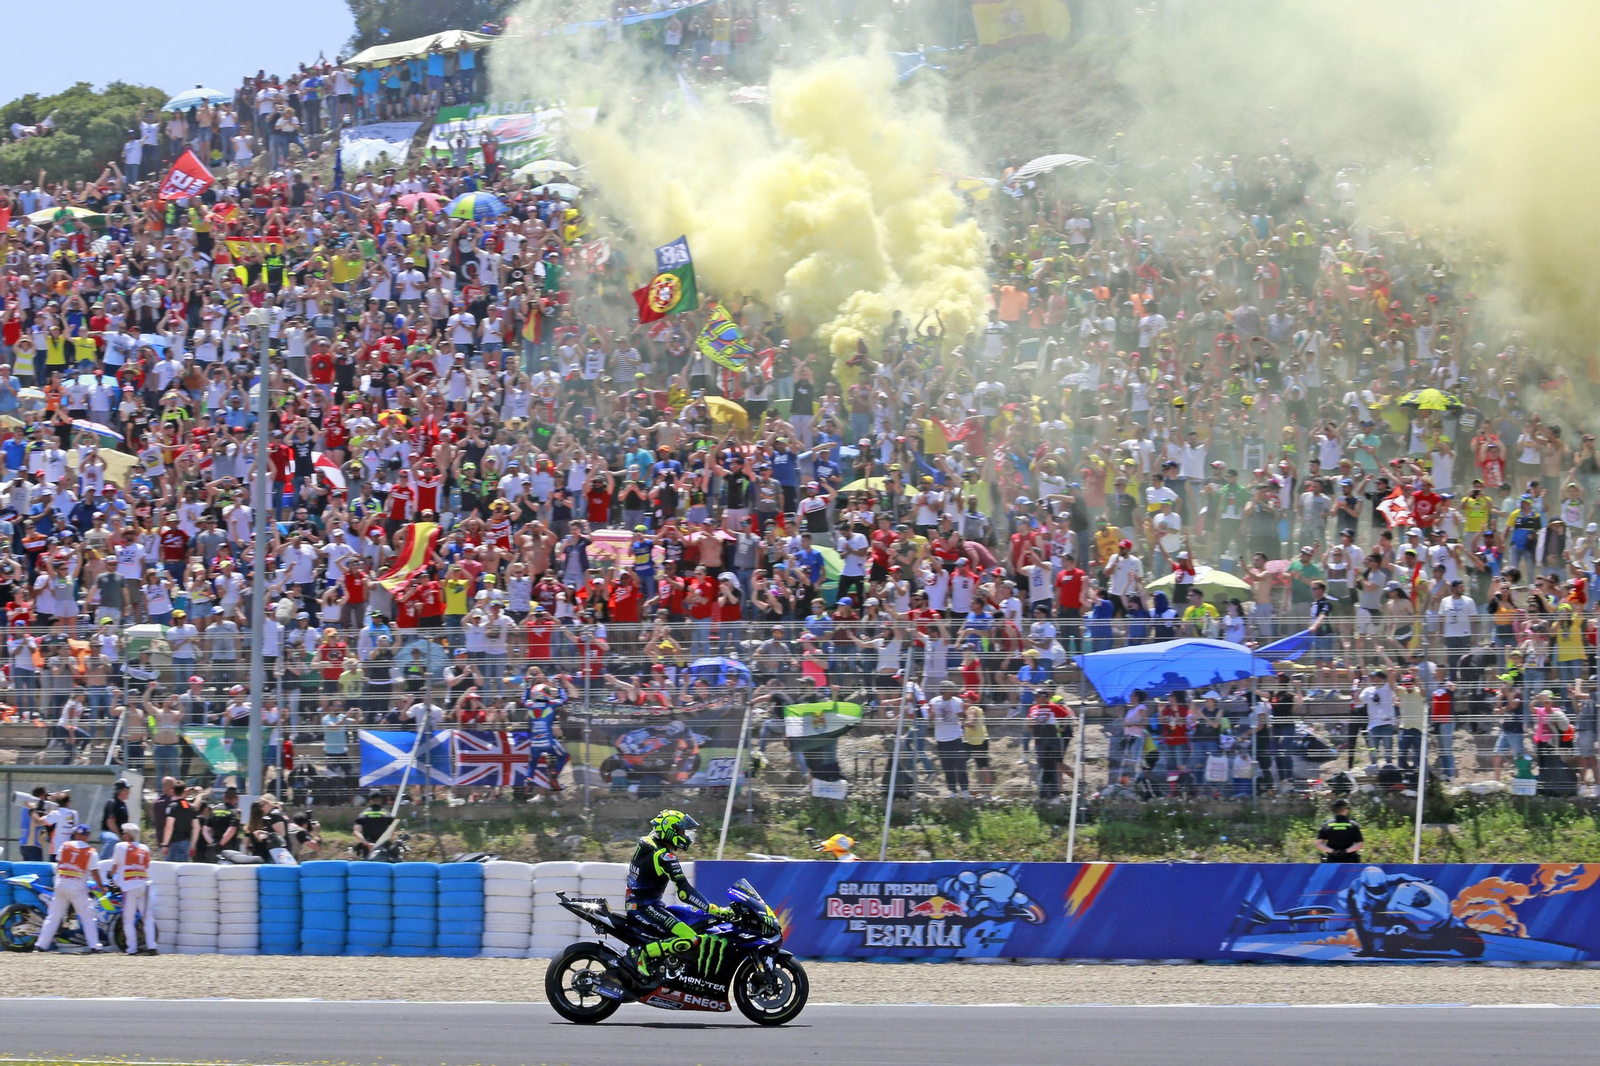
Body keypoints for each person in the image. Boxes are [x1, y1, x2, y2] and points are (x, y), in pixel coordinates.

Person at [623, 809, 731, 982]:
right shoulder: (664, 856)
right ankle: (640, 953)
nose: (685, 836)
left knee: (691, 919)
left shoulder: (647, 842)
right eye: (681, 831)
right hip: (645, 907)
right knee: (690, 937)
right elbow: (684, 892)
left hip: (643, 904)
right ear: (669, 830)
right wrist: (713, 909)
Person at [34, 824, 106, 952]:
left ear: (76, 834)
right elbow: (95, 873)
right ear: (87, 836)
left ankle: (40, 945)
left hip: (61, 884)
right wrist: (102, 887)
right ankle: (94, 946)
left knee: (53, 916)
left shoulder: (65, 846)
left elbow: (59, 864)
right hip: (77, 887)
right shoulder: (90, 852)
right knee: (87, 916)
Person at [108, 822, 158, 954]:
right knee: (147, 917)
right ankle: (152, 946)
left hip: (129, 886)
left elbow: (115, 866)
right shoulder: (145, 848)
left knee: (128, 919)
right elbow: (147, 866)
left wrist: (110, 875)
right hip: (145, 885)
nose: (123, 836)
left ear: (128, 836)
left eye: (124, 833)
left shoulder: (120, 846)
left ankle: (132, 948)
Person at [1314, 798, 1364, 863]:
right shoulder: (1353, 825)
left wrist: (1333, 851)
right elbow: (1360, 844)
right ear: (1345, 810)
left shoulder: (1326, 825)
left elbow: (1319, 844)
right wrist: (1345, 851)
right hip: (1350, 861)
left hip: (1332, 860)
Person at [351, 793, 397, 857]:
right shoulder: (387, 814)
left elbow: (356, 832)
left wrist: (367, 844)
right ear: (381, 801)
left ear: (370, 801)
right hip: (384, 846)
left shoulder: (363, 815)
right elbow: (391, 833)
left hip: (368, 847)